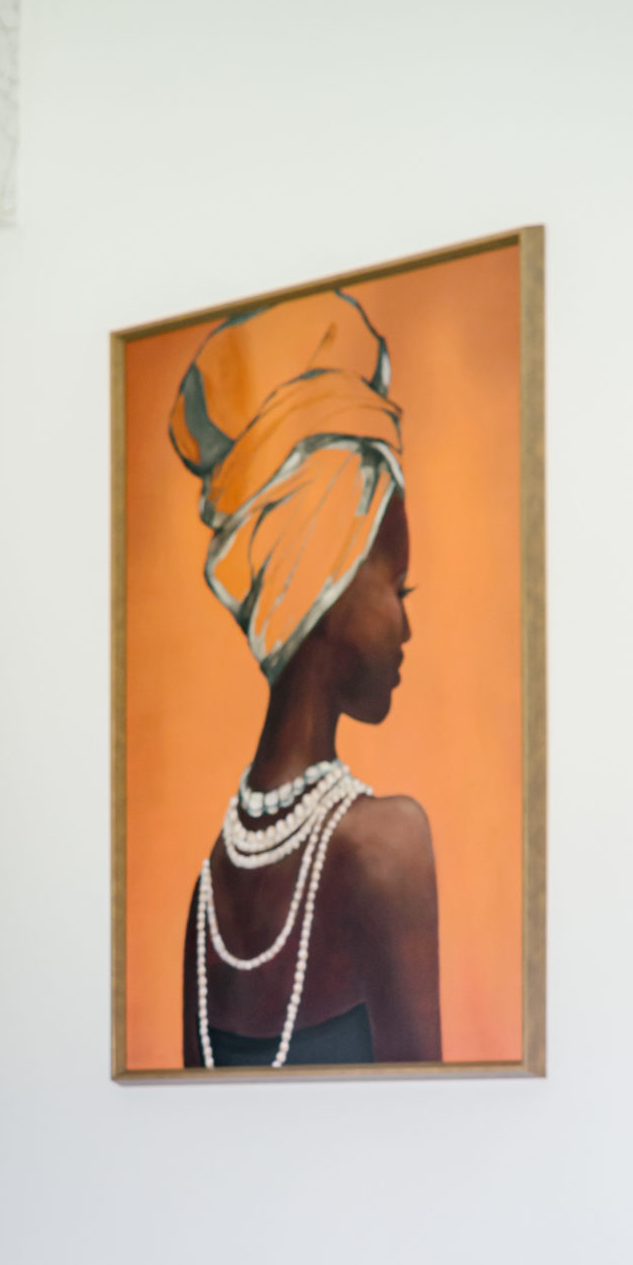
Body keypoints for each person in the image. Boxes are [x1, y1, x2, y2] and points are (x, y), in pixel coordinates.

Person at [170, 288, 442, 1068]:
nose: (407, 624)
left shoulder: (206, 894)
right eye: (398, 587)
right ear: (321, 580)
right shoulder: (385, 848)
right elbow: (429, 1124)